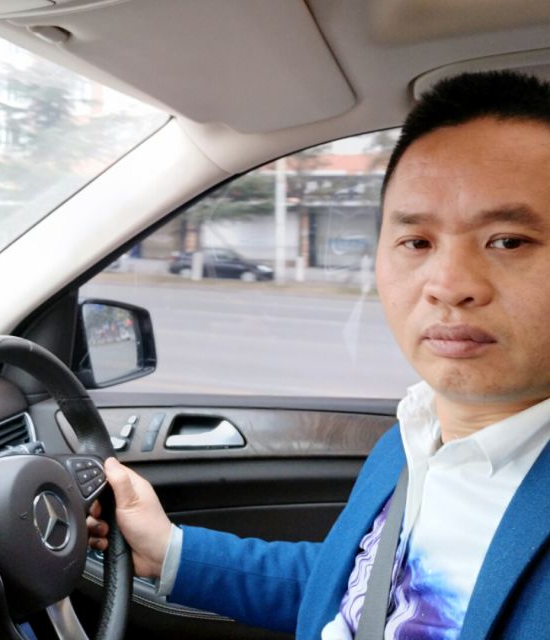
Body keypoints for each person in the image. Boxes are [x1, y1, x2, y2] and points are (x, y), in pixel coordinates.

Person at [88, 70, 550, 639]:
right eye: (416, 242)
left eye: (508, 241)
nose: (448, 284)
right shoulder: (412, 436)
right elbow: (359, 587)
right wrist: (167, 550)